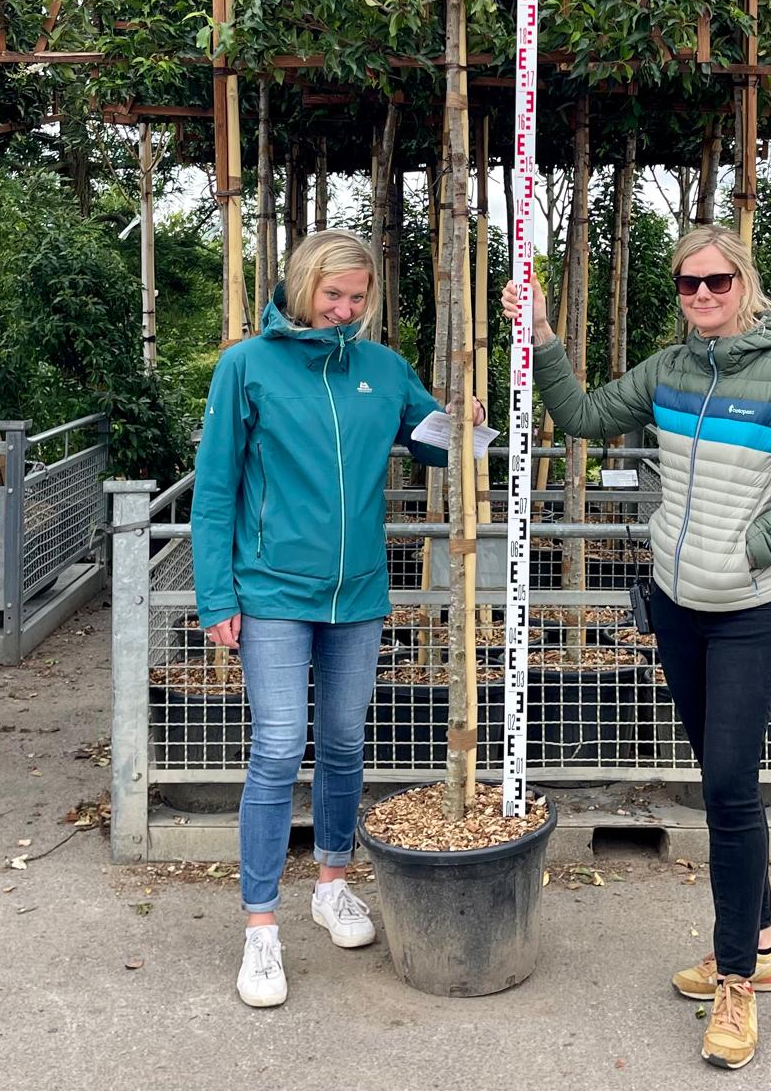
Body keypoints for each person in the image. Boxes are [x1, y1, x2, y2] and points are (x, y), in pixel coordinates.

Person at [502, 223, 771, 1070]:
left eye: (716, 282)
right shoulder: (668, 371)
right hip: (679, 606)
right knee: (722, 780)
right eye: (688, 283)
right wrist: (542, 335)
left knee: (728, 789)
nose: (701, 296)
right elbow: (582, 416)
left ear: (744, 283)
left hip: (751, 609)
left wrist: (755, 548)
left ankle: (736, 982)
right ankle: (761, 943)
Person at [192, 228, 483, 1008]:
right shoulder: (246, 366)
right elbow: (215, 488)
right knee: (279, 746)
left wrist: (466, 417)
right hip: (272, 590)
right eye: (333, 295)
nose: (345, 310)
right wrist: (216, 595)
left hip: (357, 594)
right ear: (301, 286)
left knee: (347, 742)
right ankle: (261, 927)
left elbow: (438, 445)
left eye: (358, 297)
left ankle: (331, 883)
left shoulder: (382, 369)